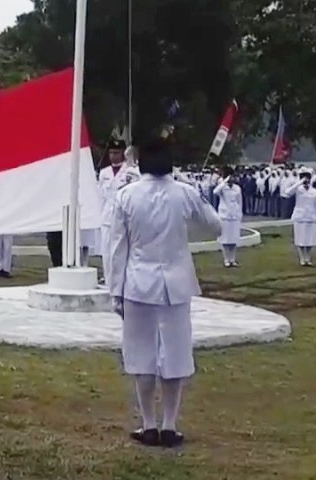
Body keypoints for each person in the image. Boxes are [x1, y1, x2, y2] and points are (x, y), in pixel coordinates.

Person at [108, 136, 221, 448]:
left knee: (142, 356)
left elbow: (117, 247)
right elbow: (215, 226)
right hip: (175, 282)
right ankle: (169, 425)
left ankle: (148, 424)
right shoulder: (184, 193)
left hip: (138, 283)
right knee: (174, 355)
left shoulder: (126, 196)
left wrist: (114, 290)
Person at [97, 138, 139, 283]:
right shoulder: (104, 173)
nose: (114, 155)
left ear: (122, 153)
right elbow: (100, 197)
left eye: (117, 152)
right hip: (107, 217)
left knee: (122, 252)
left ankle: (121, 282)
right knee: (106, 253)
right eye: (111, 152)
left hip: (123, 219)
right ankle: (108, 281)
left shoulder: (130, 172)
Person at [281, 167, 316, 266]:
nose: (306, 180)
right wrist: (299, 183)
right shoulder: (298, 189)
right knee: (300, 239)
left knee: (310, 240)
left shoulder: (313, 191)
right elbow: (287, 193)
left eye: (308, 178)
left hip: (311, 217)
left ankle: (307, 258)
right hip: (300, 217)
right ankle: (302, 258)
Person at [213, 167, 243, 267]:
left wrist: (240, 214)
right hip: (224, 215)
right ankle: (226, 259)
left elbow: (240, 201)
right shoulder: (222, 188)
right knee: (225, 239)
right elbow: (215, 192)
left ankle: (233, 259)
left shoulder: (237, 188)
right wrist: (224, 182)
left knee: (234, 239)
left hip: (234, 215)